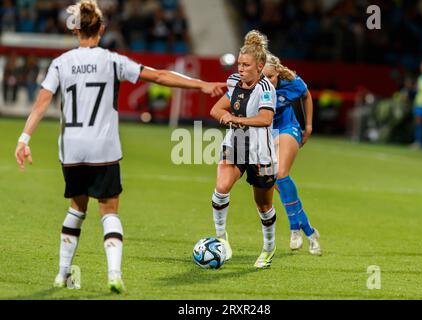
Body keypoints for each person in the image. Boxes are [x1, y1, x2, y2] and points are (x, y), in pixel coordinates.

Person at [14, 0, 226, 294]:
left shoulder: (60, 63)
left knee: (76, 207)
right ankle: (114, 274)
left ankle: (62, 274)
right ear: (101, 28)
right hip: (103, 147)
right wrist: (201, 84)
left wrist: (24, 139)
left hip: (72, 148)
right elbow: (160, 76)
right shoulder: (113, 61)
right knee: (109, 210)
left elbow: (41, 103)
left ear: (75, 30)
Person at [209, 30, 278, 269]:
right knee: (221, 189)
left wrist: (236, 120)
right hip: (236, 143)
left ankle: (268, 248)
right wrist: (224, 116)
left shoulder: (267, 89)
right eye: (239, 63)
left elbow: (265, 119)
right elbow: (216, 109)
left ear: (259, 66)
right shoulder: (233, 82)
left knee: (263, 206)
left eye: (246, 65)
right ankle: (220, 239)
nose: (240, 68)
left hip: (261, 152)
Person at [263, 54, 321, 255]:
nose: (268, 82)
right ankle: (310, 232)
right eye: (264, 78)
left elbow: (306, 95)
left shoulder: (290, 82)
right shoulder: (254, 86)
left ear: (277, 72)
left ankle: (294, 229)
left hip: (288, 128)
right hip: (266, 135)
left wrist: (309, 125)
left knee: (280, 173)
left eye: (271, 77)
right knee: (279, 186)